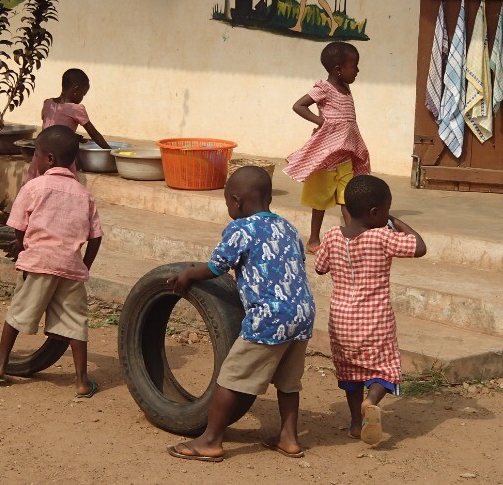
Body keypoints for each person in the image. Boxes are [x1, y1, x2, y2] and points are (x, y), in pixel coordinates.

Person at [165, 166, 316, 462]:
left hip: (268, 316)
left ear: (236, 201)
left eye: (226, 203)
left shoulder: (241, 228)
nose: (228, 209)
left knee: (232, 376)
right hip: (302, 313)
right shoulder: (288, 227)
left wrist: (189, 275)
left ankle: (210, 440)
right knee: (288, 382)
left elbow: (218, 265)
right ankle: (289, 438)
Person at [0, 125, 103, 398]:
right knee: (75, 323)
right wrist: (85, 265)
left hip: (38, 264)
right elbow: (96, 237)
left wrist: (20, 244)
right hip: (70, 267)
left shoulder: (34, 187)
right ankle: (82, 381)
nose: (33, 159)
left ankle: (0, 363)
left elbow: (19, 226)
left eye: (35, 153)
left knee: (19, 311)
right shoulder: (85, 195)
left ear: (48, 159)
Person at [314, 175, 426, 445]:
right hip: (375, 320)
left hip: (341, 321)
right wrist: (397, 222)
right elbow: (419, 247)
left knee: (350, 372)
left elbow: (319, 267)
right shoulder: (382, 237)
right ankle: (372, 400)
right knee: (385, 369)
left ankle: (355, 423)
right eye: (385, 211)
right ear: (376, 213)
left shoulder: (331, 236)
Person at [285, 41, 370, 253]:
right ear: (338, 70)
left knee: (347, 198)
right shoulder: (325, 89)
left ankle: (352, 239)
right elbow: (298, 105)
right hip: (326, 157)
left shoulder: (346, 88)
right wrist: (321, 122)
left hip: (345, 155)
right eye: (354, 66)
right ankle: (314, 239)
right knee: (320, 202)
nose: (358, 70)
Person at [22, 68, 110, 185]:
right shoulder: (77, 109)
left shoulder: (48, 104)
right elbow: (94, 134)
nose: (82, 97)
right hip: (60, 159)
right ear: (76, 90)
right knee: (64, 187)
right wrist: (110, 152)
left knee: (35, 186)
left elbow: (52, 129)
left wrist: (73, 137)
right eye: (83, 94)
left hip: (40, 157)